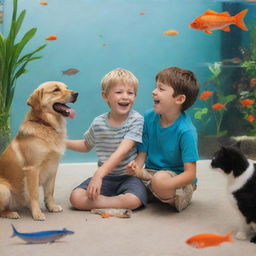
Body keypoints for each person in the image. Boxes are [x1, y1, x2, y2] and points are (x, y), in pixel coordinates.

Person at [66, 68, 147, 210]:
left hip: (129, 177)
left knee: (134, 200)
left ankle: (104, 201)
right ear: (105, 96)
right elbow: (86, 145)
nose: (125, 97)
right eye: (119, 92)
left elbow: (122, 151)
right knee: (76, 197)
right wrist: (62, 142)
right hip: (106, 177)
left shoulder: (136, 120)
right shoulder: (98, 123)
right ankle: (113, 201)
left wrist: (98, 174)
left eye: (130, 92)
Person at [127, 67, 200, 212]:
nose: (154, 91)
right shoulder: (148, 117)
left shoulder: (186, 131)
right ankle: (154, 193)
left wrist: (162, 184)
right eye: (156, 87)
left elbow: (190, 175)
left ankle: (168, 197)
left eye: (161, 89)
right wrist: (135, 169)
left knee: (159, 180)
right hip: (149, 174)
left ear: (179, 99)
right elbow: (142, 154)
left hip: (177, 180)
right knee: (124, 184)